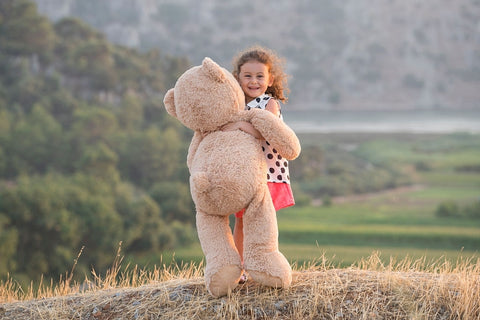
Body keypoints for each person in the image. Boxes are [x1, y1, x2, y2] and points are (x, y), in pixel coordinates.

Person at [222, 46, 295, 282]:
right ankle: (240, 269)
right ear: (237, 78)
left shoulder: (269, 103)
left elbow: (267, 131)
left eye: (260, 76)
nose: (254, 81)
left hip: (268, 173)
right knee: (241, 221)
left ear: (270, 79)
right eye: (248, 76)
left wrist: (241, 126)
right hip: (245, 175)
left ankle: (266, 265)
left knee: (264, 224)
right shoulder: (236, 104)